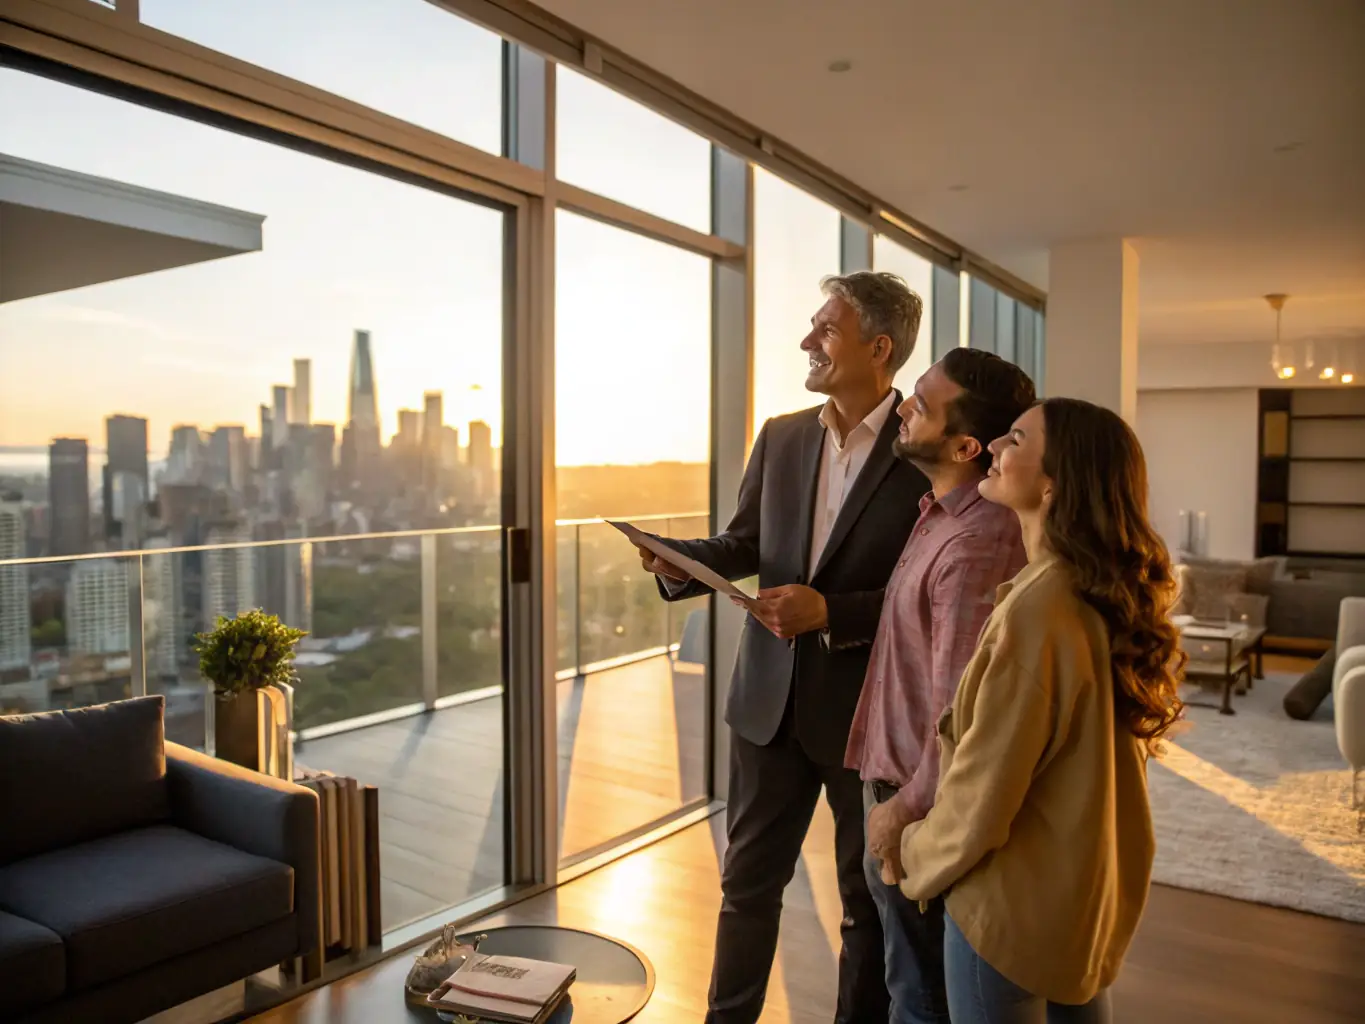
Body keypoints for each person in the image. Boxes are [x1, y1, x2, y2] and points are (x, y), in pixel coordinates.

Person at [637, 271, 929, 1024]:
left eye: (824, 329)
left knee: (865, 902)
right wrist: (678, 559)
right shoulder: (782, 435)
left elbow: (921, 591)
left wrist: (830, 610)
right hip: (765, 705)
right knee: (746, 887)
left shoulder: (922, 451)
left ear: (879, 346)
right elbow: (744, 541)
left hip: (865, 718)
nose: (806, 341)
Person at [897, 397, 1185, 1024]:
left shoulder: (1041, 610)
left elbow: (983, 790)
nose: (995, 446)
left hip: (1010, 910)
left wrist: (911, 850)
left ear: (1054, 483)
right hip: (1081, 902)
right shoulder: (1096, 594)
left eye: (1018, 440)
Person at [844, 348, 1035, 1024]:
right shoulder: (938, 515)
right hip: (897, 785)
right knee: (910, 980)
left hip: (916, 807)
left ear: (963, 444)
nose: (900, 408)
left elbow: (961, 710)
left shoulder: (974, 545)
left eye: (919, 405)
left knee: (919, 997)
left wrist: (900, 812)